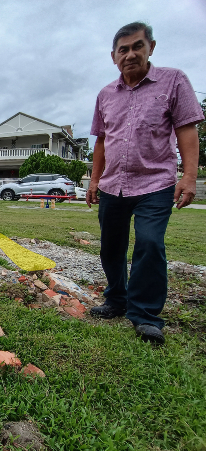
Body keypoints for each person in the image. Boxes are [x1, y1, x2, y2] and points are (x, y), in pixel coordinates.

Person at [87, 22, 204, 344]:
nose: (130, 54)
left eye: (137, 46)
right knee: (111, 246)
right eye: (123, 50)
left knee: (150, 243)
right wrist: (94, 180)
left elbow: (186, 129)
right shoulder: (106, 94)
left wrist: (189, 175)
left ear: (150, 47)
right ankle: (116, 300)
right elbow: (100, 141)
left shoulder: (174, 81)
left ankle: (145, 314)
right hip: (113, 184)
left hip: (156, 181)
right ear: (114, 56)